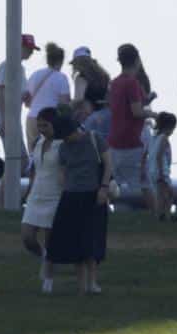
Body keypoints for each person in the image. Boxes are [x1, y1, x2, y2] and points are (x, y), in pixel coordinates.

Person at [46, 115, 112, 294]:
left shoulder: (94, 138)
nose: (66, 140)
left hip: (93, 194)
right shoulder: (63, 147)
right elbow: (62, 170)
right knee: (75, 242)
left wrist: (104, 188)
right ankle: (81, 285)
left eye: (68, 135)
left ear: (75, 130)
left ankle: (93, 282)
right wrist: (63, 186)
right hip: (71, 195)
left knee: (92, 240)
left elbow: (108, 164)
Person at [21, 108, 63, 292]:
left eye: (45, 125)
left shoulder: (62, 144)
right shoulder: (38, 142)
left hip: (55, 195)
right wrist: (29, 192)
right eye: (39, 126)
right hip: (36, 194)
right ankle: (45, 258)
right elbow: (33, 170)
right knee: (27, 238)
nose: (41, 129)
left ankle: (48, 281)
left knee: (50, 239)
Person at [108, 44, 156, 193]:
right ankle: (159, 214)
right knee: (145, 183)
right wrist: (154, 115)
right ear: (136, 60)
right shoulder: (132, 82)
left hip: (114, 138)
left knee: (113, 179)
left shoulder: (115, 82)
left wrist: (146, 101)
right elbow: (136, 111)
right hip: (131, 139)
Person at [24, 44, 72, 169]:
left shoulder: (35, 75)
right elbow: (64, 104)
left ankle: (32, 179)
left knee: (33, 155)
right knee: (50, 154)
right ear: (61, 61)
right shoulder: (61, 78)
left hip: (32, 118)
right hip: (50, 120)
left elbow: (27, 99)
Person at [0, 32, 37, 148]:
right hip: (6, 118)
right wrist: (5, 120)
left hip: (14, 118)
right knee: (17, 158)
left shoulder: (21, 69)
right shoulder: (6, 65)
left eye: (32, 49)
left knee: (20, 158)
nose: (31, 52)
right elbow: (1, 93)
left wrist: (26, 97)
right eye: (28, 48)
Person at [145, 113, 177, 221]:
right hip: (161, 170)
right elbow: (159, 156)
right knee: (169, 193)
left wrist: (144, 168)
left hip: (151, 170)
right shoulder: (164, 138)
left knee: (160, 194)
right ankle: (167, 215)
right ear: (168, 127)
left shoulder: (153, 137)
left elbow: (146, 153)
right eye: (172, 128)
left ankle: (160, 215)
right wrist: (161, 172)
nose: (173, 131)